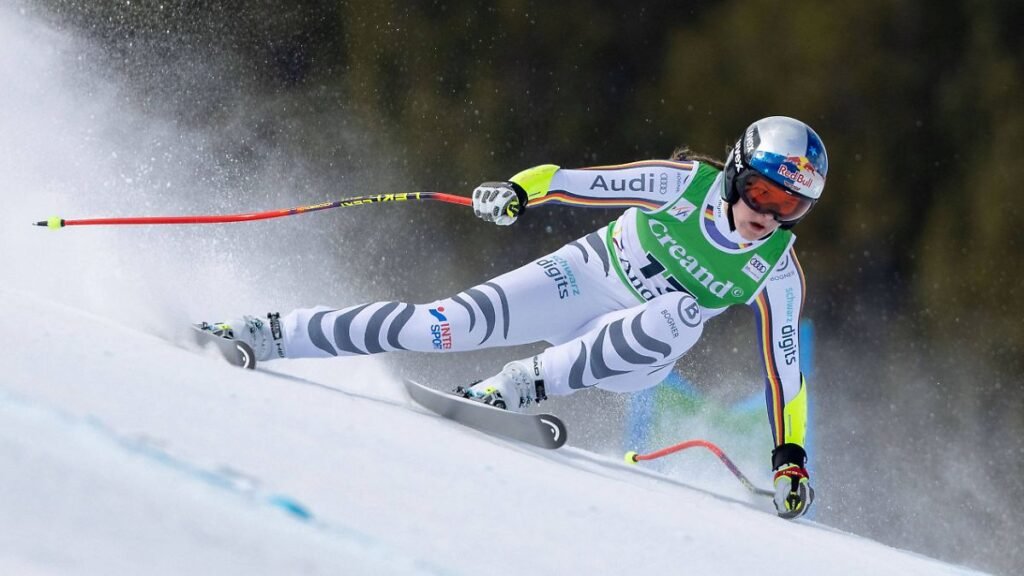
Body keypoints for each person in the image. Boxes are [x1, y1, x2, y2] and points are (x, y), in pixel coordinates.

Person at [203, 116, 827, 519]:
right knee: (438, 326)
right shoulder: (682, 185)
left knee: (680, 313)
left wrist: (790, 459)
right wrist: (517, 192)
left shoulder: (777, 268)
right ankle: (268, 332)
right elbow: (566, 181)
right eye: (764, 192)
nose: (770, 214)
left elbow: (784, 373)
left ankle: (517, 385)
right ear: (737, 173)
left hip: (637, 350)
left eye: (792, 205)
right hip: (582, 277)